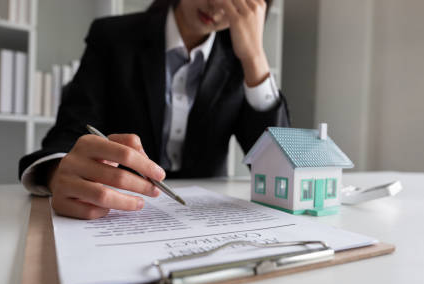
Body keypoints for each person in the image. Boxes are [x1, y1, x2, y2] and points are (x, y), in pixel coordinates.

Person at [18, 0, 290, 220]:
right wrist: (57, 173)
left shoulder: (240, 60)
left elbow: (276, 165)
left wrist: (255, 58)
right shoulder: (112, 36)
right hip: (118, 207)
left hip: (203, 215)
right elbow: (69, 132)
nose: (216, 5)